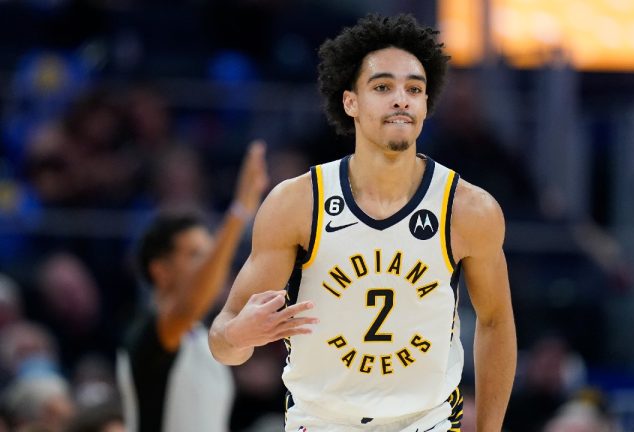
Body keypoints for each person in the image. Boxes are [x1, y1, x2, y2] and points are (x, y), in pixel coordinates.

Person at [208, 14, 517, 432]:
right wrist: (239, 336)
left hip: (426, 422)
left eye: (414, 89)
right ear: (350, 101)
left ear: (426, 104)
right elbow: (222, 341)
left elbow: (496, 323)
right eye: (383, 87)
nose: (401, 99)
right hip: (320, 421)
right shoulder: (298, 203)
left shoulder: (469, 209)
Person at [116, 142, 268, 432]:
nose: (212, 265)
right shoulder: (148, 329)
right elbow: (186, 307)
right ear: (160, 271)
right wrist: (238, 213)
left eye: (210, 254)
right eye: (196, 255)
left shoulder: (203, 335)